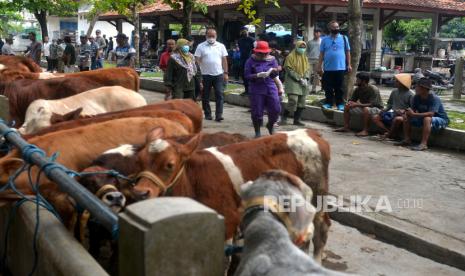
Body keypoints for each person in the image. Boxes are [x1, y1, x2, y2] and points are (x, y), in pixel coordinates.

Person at [397, 78, 449, 151]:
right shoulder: (416, 97)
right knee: (407, 116)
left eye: (417, 87)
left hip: (440, 119)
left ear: (424, 88)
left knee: (427, 118)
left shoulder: (434, 98)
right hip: (424, 118)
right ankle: (407, 139)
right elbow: (413, 111)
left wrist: (414, 114)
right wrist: (405, 112)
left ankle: (424, 144)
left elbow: (431, 114)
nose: (415, 88)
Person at [244, 41, 283, 137]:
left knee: (276, 108)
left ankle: (270, 125)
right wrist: (257, 75)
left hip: (270, 86)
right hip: (256, 87)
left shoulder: (273, 60)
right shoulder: (250, 61)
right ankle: (257, 131)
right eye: (261, 53)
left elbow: (275, 75)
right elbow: (247, 75)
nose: (263, 55)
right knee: (257, 111)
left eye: (265, 53)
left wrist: (274, 73)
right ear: (256, 52)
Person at [194, 27, 229, 122]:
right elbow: (197, 61)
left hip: (218, 74)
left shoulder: (221, 46)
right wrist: (199, 75)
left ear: (216, 36)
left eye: (213, 36)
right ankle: (208, 114)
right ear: (206, 36)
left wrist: (226, 73)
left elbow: (224, 60)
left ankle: (219, 115)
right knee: (205, 96)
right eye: (209, 36)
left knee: (219, 94)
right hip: (205, 75)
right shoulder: (200, 46)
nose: (211, 38)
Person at [318, 21, 352, 110]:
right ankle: (328, 102)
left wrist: (349, 64)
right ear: (330, 29)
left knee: (339, 87)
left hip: (340, 67)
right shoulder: (324, 40)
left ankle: (340, 104)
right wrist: (319, 66)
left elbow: (348, 52)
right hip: (328, 68)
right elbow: (321, 54)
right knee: (328, 87)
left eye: (337, 27)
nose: (336, 29)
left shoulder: (344, 38)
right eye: (334, 27)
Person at [372, 73, 414, 140]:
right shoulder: (394, 92)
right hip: (393, 113)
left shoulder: (410, 94)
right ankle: (389, 133)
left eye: (397, 81)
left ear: (402, 83)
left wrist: (403, 111)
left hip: (403, 115)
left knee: (397, 119)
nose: (395, 82)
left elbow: (413, 108)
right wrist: (384, 110)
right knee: (375, 117)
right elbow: (390, 104)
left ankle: (389, 135)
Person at [281, 41, 310, 126]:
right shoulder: (290, 57)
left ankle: (297, 120)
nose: (302, 49)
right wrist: (298, 78)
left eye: (304, 47)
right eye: (300, 47)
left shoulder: (305, 57)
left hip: (303, 83)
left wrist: (306, 78)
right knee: (293, 100)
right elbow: (288, 69)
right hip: (292, 81)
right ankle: (284, 118)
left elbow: (308, 69)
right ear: (296, 47)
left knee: (302, 101)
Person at [238, 27, 255, 96]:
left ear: (248, 31)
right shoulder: (240, 40)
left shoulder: (252, 40)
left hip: (250, 60)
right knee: (244, 75)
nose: (243, 32)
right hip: (242, 60)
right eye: (242, 31)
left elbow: (255, 50)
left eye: (245, 31)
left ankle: (252, 90)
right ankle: (246, 90)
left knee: (251, 75)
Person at [307, 28, 322, 94]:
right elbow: (307, 51)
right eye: (315, 32)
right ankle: (306, 88)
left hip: (318, 60)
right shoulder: (309, 42)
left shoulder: (322, 42)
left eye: (317, 32)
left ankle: (313, 89)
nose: (316, 33)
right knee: (308, 74)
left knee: (316, 75)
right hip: (309, 59)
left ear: (320, 33)